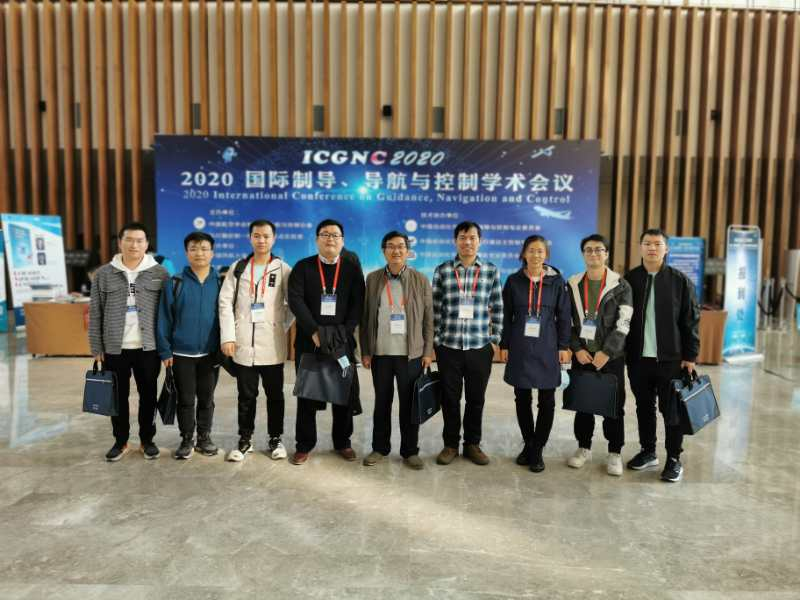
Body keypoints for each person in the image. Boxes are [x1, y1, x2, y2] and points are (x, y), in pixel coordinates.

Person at [88, 222, 169, 461]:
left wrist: (166, 348)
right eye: (129, 240)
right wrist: (96, 346)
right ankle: (120, 441)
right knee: (117, 398)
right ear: (120, 242)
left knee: (148, 396)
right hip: (114, 348)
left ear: (147, 244)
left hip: (148, 348)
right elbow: (95, 312)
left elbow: (167, 314)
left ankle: (147, 440)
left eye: (139, 240)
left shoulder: (159, 273)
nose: (134, 245)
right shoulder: (104, 274)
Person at [625, 228, 700, 483]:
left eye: (657, 244)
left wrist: (690, 356)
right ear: (640, 247)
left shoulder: (680, 281)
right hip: (638, 358)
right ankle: (648, 451)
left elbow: (691, 320)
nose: (652, 248)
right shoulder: (631, 279)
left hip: (671, 359)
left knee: (672, 411)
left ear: (666, 249)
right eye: (647, 243)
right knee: (643, 407)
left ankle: (674, 458)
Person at [288, 219, 365, 465]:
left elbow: (358, 304)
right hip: (309, 342)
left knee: (343, 392)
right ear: (316, 239)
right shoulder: (303, 267)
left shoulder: (351, 269)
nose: (330, 239)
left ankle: (343, 442)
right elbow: (295, 300)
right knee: (307, 394)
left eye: (335, 235)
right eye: (325, 234)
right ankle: (304, 445)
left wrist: (344, 332)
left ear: (342, 241)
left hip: (341, 342)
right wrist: (314, 331)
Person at [218, 220, 293, 462]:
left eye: (266, 236)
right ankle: (245, 439)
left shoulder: (283, 269)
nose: (261, 240)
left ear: (274, 239)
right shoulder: (238, 267)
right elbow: (225, 303)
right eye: (257, 235)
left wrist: (280, 325)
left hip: (272, 345)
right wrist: (228, 336)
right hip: (243, 345)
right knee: (246, 396)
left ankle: (275, 439)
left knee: (275, 395)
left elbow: (293, 303)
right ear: (250, 238)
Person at [360, 231, 434, 470]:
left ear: (408, 251)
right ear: (384, 251)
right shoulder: (372, 279)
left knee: (409, 404)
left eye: (401, 246)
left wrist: (427, 351)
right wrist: (366, 350)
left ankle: (410, 451)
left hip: (410, 355)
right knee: (382, 402)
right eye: (391, 246)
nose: (396, 251)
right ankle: (379, 448)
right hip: (380, 354)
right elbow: (366, 317)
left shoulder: (420, 279)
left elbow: (429, 319)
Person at [432, 221, 503, 466]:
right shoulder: (443, 270)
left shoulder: (490, 271)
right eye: (462, 237)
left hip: (479, 346)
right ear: (455, 241)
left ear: (479, 241)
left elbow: (498, 306)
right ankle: (450, 445)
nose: (467, 242)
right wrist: (437, 341)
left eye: (472, 237)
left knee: (476, 399)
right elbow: (435, 308)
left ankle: (472, 444)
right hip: (449, 346)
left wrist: (494, 341)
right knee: (450, 399)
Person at [499, 235, 571, 473]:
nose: (536, 255)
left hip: (547, 346)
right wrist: (504, 344)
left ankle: (538, 449)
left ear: (546, 255)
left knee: (547, 400)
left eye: (540, 251)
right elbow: (506, 316)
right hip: (520, 346)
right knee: (522, 398)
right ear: (524, 254)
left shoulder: (557, 282)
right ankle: (528, 444)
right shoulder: (513, 281)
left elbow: (564, 317)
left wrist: (563, 346)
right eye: (531, 250)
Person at [565, 234, 633, 476]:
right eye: (588, 250)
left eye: (599, 249)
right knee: (583, 404)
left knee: (613, 406)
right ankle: (583, 447)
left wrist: (607, 351)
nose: (593, 253)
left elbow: (623, 323)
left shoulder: (621, 285)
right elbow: (567, 322)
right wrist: (577, 348)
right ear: (583, 254)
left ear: (607, 254)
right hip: (583, 355)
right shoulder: (572, 284)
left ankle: (615, 452)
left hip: (610, 357)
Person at [156, 232, 223, 460]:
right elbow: (164, 318)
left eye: (204, 248)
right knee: (185, 399)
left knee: (207, 399)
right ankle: (186, 438)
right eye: (193, 248)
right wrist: (165, 350)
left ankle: (204, 437)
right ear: (186, 253)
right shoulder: (175, 282)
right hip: (181, 353)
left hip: (211, 353)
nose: (199, 253)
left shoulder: (221, 282)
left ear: (212, 253)